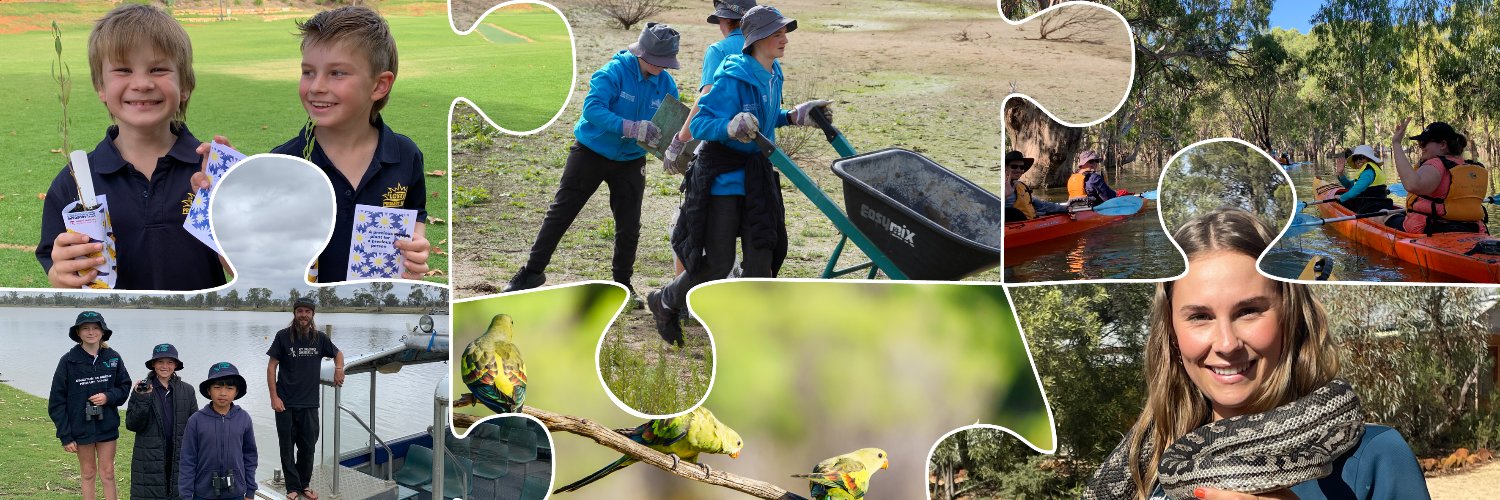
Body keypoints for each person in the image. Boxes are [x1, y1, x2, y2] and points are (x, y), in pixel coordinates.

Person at [1085, 208, 1429, 500]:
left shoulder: (1375, 455)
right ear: (1172, 334)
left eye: (1249, 311)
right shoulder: (1150, 457)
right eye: (1200, 316)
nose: (1226, 343)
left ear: (1290, 315)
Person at [648, 5, 831, 346]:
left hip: (757, 178)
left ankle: (752, 334)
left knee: (762, 255)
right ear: (757, 39)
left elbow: (762, 118)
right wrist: (730, 127)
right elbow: (702, 122)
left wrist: (791, 116)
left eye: (784, 33)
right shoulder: (732, 75)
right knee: (718, 263)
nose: (784, 39)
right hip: (724, 179)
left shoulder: (773, 73)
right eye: (777, 34)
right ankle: (666, 300)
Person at [36, 4, 227, 290]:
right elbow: (58, 268)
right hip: (113, 334)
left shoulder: (211, 171)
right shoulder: (73, 181)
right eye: (123, 70)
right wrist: (60, 273)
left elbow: (249, 262)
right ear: (101, 86)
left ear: (185, 85)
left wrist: (234, 191)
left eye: (158, 69)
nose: (141, 83)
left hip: (202, 332)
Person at [503, 22, 684, 307]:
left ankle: (622, 285)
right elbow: (592, 109)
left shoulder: (666, 84)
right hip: (591, 151)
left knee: (629, 225)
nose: (663, 67)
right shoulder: (614, 71)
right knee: (561, 213)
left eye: (666, 62)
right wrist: (630, 127)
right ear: (642, 53)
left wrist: (671, 148)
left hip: (629, 160)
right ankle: (531, 273)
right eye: (658, 61)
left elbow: (673, 120)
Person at [267, 6, 431, 282]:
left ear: (379, 85)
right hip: (308, 312)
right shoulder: (284, 162)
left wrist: (416, 252)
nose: (316, 86)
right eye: (308, 72)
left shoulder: (405, 155)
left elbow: (416, 216)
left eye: (337, 73)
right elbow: (257, 250)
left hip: (380, 310)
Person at [663, 0, 757, 169]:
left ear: (727, 20)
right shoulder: (764, 48)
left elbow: (707, 95)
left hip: (723, 144)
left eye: (720, 19)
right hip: (758, 147)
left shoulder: (718, 50)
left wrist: (680, 140)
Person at [266, 298, 344, 499]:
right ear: (294, 313)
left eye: (307, 312)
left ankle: (304, 485)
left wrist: (339, 369)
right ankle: (292, 487)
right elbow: (272, 366)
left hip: (310, 403)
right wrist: (274, 397)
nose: (303, 315)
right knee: (287, 447)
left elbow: (338, 353)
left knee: (308, 447)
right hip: (285, 403)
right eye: (300, 311)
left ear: (312, 315)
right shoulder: (282, 337)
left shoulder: (319, 338)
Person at [49, 311, 132, 500]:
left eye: (95, 328)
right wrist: (65, 435)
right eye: (85, 328)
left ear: (103, 332)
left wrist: (108, 397)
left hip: (107, 425)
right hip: (81, 426)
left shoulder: (113, 357)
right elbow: (56, 401)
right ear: (78, 333)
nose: (91, 332)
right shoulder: (68, 361)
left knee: (108, 472)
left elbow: (124, 387)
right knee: (88, 473)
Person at [1384, 119, 1489, 234]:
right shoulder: (1468, 166)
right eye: (1419, 144)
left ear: (1443, 145)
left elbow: (1412, 185)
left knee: (1380, 217)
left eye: (1424, 143)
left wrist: (1396, 143)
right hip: (1474, 229)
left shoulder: (1436, 163)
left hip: (1430, 229)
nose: (1421, 147)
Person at [126, 343, 199, 499]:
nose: (165, 366)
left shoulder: (188, 390)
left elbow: (195, 427)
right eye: (160, 361)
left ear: (176, 365)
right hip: (149, 456)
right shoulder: (141, 388)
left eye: (170, 362)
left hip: (179, 455)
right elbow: (132, 424)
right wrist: (143, 399)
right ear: (153, 364)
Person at [179, 362, 257, 500]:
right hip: (203, 494)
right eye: (217, 387)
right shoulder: (195, 420)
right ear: (209, 391)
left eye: (229, 388)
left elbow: (250, 457)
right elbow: (187, 460)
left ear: (236, 392)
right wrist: (186, 495)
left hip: (236, 493)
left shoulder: (243, 418)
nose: (223, 393)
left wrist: (250, 491)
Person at [1004, 150, 1068, 222]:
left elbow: (1041, 205)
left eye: (1021, 167)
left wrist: (1065, 208)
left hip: (1028, 223)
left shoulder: (1021, 186)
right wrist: (1005, 196)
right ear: (1006, 167)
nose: (1019, 170)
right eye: (1014, 166)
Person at [1333, 144, 1395, 215]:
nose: (1358, 160)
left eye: (1361, 157)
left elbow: (1353, 192)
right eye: (1355, 158)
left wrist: (1341, 197)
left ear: (1369, 158)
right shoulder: (1369, 171)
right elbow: (1349, 185)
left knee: (1339, 197)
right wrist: (1340, 173)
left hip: (1370, 208)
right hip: (1374, 205)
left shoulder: (1367, 173)